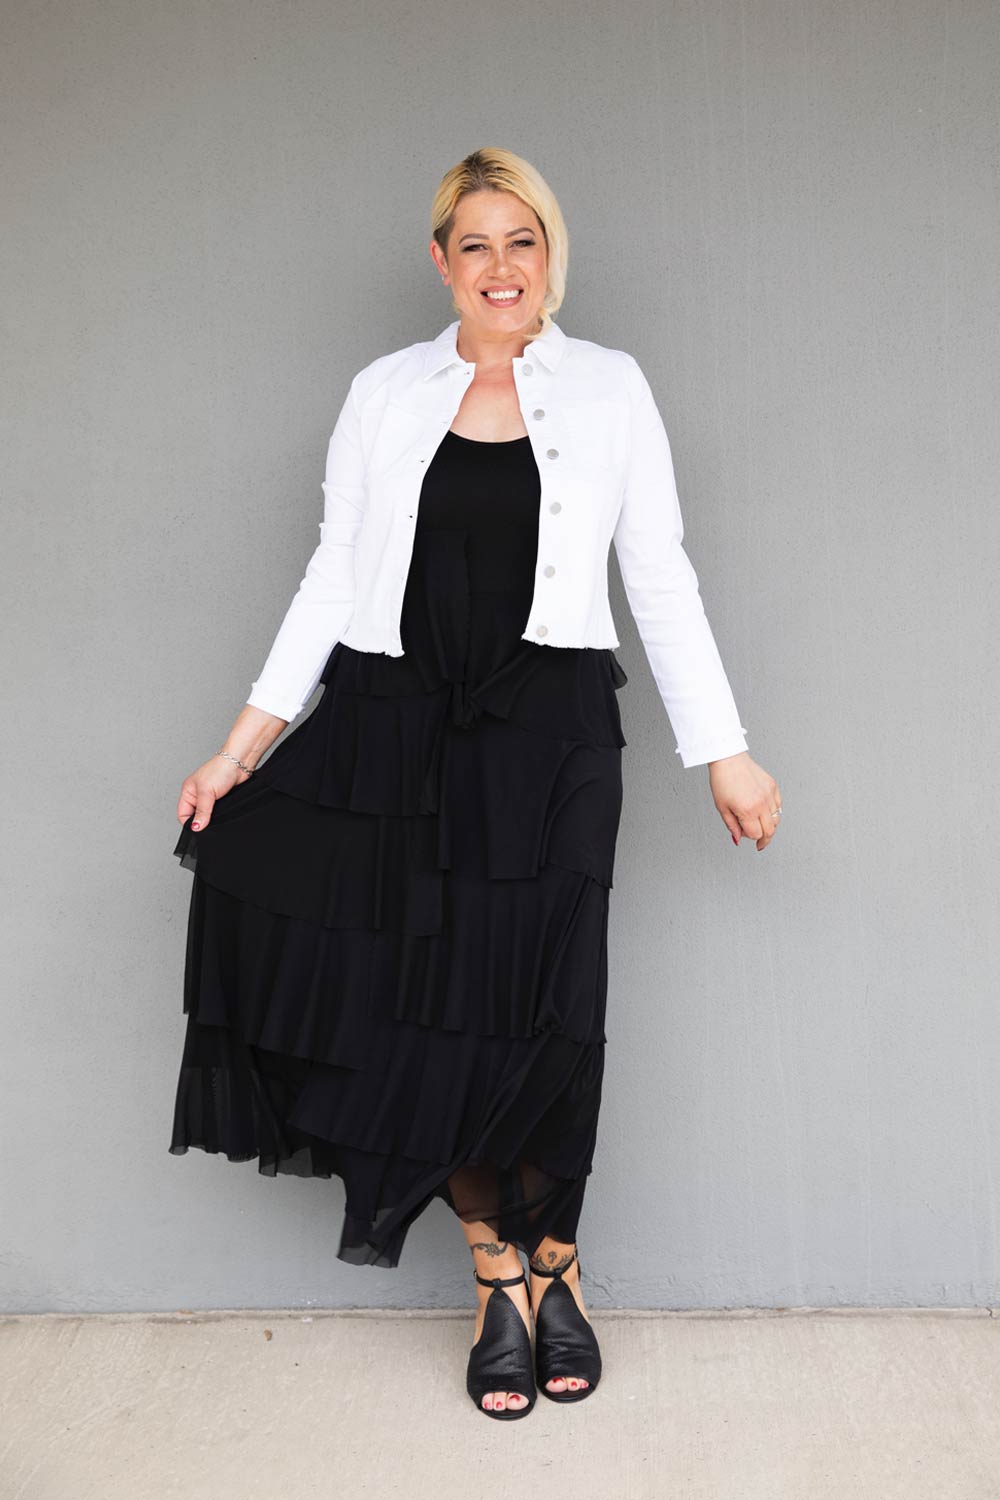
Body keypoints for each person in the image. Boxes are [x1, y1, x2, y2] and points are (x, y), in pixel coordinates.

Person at [170, 146, 782, 1422]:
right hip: (397, 731)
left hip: (554, 735)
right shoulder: (385, 391)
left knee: (552, 1012)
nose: (501, 267)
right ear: (440, 262)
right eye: (475, 244)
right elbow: (334, 569)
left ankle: (558, 1264)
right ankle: (497, 1281)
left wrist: (722, 747)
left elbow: (657, 571)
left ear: (549, 255)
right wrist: (240, 748)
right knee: (428, 1012)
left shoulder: (609, 388)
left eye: (523, 241)